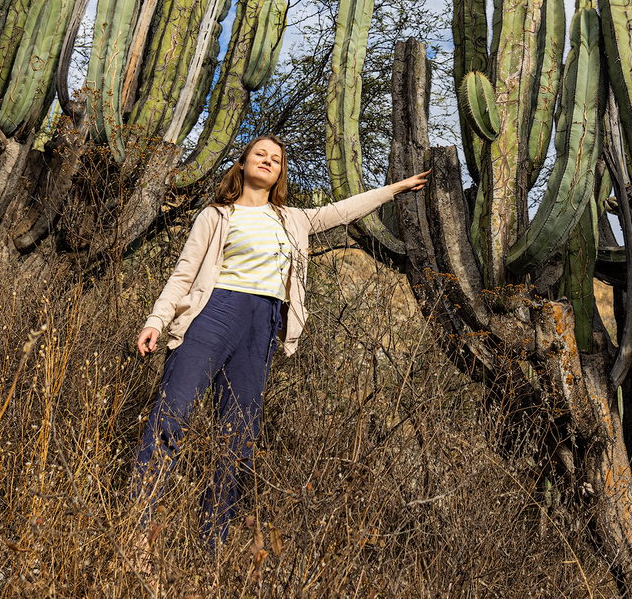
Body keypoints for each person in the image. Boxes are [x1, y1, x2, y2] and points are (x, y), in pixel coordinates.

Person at [130, 134, 428, 549]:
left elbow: (342, 211)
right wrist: (156, 321)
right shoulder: (216, 215)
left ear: (281, 172)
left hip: (263, 326)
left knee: (238, 437)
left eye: (276, 158)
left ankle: (210, 545)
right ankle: (137, 534)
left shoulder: (293, 219)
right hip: (213, 315)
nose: (268, 161)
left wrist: (395, 189)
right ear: (242, 164)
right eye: (259, 155)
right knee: (172, 414)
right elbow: (184, 274)